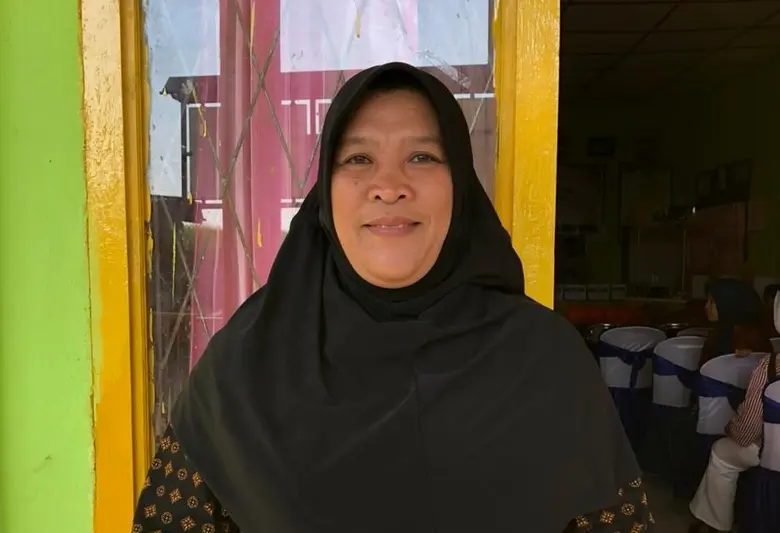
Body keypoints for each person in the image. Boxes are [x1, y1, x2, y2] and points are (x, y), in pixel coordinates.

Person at [131, 63, 654, 533]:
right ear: (325, 192)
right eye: (358, 157)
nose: (388, 185)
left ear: (460, 185)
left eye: (422, 156)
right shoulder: (247, 364)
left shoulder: (547, 361)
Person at [689, 288, 780, 532]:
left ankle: (715, 523)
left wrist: (731, 428)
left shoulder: (769, 366)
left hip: (772, 453)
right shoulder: (761, 343)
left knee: (721, 452)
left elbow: (746, 432)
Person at [699, 278, 772, 366]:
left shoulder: (755, 339)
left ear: (728, 303)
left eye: (712, 302)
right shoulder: (716, 334)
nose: (706, 306)